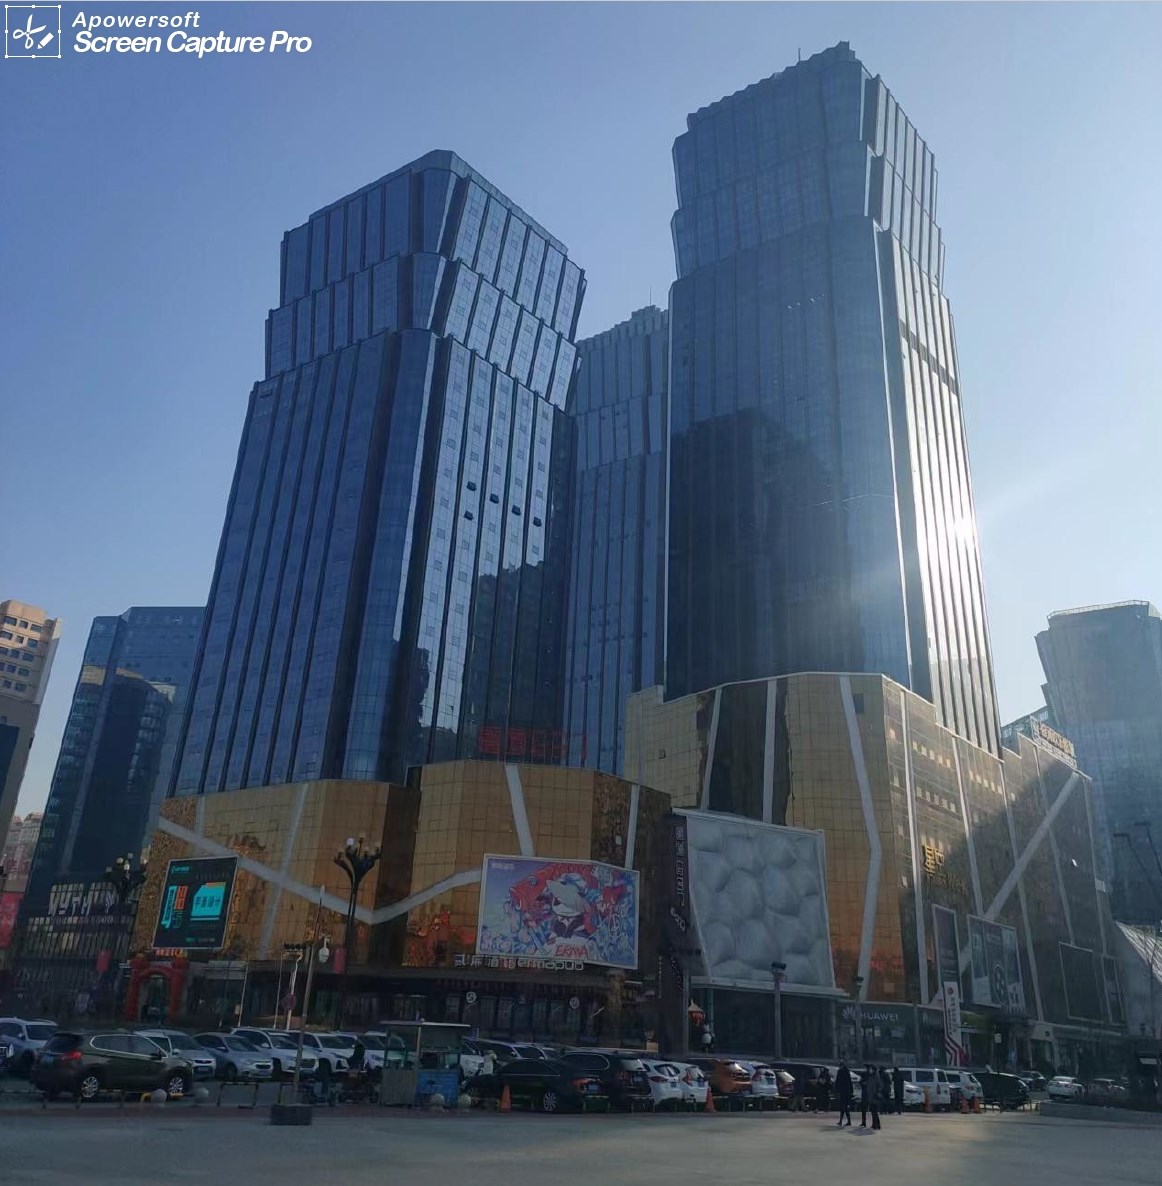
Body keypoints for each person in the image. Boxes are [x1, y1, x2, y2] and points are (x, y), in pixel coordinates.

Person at [835, 1060, 853, 1127]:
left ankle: (843, 1121)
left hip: (844, 1092)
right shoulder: (846, 1071)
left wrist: (837, 1089)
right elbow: (849, 1081)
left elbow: (838, 1081)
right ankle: (844, 1121)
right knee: (844, 1107)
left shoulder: (841, 1071)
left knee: (844, 1107)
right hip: (846, 1091)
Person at [869, 1065, 883, 1131]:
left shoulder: (876, 1076)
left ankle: (877, 1125)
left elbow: (880, 1085)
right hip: (871, 1096)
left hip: (874, 1096)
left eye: (871, 1069)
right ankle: (874, 1124)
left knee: (874, 1112)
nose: (870, 1070)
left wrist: (877, 1092)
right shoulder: (871, 1076)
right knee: (873, 1112)